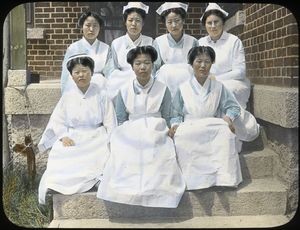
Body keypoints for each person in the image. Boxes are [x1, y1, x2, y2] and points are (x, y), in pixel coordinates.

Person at [97, 46, 186, 208]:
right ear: (132, 66)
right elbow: (121, 118)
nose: (143, 67)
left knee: (157, 149)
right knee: (127, 148)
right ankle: (129, 190)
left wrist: (172, 127)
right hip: (131, 128)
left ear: (153, 65)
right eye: (138, 63)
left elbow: (167, 115)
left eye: (147, 63)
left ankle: (156, 191)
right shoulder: (124, 90)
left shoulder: (162, 89)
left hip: (156, 127)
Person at [168, 46, 259, 190]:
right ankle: (192, 181)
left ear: (212, 63)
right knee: (183, 136)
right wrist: (175, 125)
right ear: (191, 64)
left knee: (225, 132)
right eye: (198, 61)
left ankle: (223, 179)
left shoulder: (219, 86)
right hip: (190, 125)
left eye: (207, 61)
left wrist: (228, 118)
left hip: (211, 123)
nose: (203, 65)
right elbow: (175, 113)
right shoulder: (183, 88)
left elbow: (233, 107)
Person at [38, 54, 117, 204]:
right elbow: (57, 121)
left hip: (96, 135)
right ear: (72, 76)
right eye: (77, 72)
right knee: (60, 151)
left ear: (92, 72)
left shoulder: (102, 95)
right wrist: (63, 136)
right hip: (73, 135)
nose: (81, 75)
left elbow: (110, 122)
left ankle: (95, 182)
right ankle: (58, 185)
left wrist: (111, 139)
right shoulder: (67, 96)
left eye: (85, 71)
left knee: (103, 151)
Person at [198, 3, 250, 109]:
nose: (213, 26)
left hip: (232, 82)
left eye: (216, 22)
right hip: (207, 82)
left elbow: (240, 72)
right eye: (209, 23)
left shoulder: (233, 41)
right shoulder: (200, 43)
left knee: (224, 91)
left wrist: (216, 78)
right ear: (205, 25)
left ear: (223, 22)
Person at [105, 2, 153, 102]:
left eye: (138, 21)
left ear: (143, 23)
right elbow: (111, 68)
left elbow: (154, 66)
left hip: (144, 78)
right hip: (121, 81)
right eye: (130, 20)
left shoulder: (150, 42)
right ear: (125, 22)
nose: (133, 24)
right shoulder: (116, 43)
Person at [153, 2, 198, 98]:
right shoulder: (159, 42)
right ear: (165, 23)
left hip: (187, 82)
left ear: (183, 21)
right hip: (165, 82)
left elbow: (196, 66)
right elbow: (154, 67)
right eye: (169, 22)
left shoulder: (193, 41)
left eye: (177, 21)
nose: (174, 25)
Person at [60, 11, 110, 94]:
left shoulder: (106, 48)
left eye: (95, 26)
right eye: (88, 25)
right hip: (77, 88)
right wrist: (65, 95)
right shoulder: (73, 48)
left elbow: (110, 73)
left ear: (99, 28)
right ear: (82, 27)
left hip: (100, 89)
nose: (91, 29)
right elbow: (65, 75)